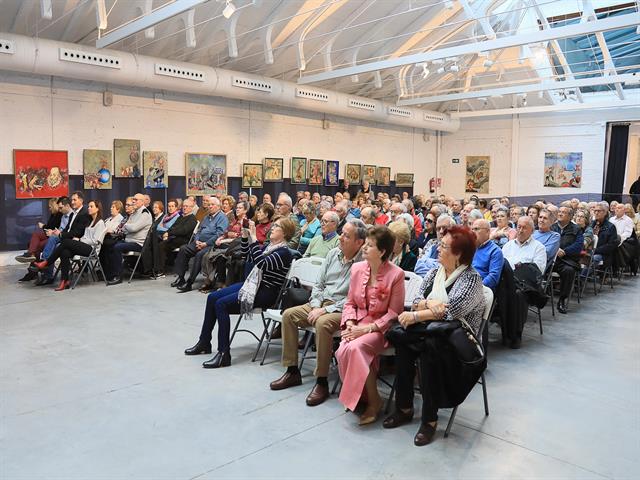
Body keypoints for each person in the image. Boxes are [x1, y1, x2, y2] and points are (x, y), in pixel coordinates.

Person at [385, 226, 484, 446]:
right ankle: (405, 407)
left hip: (458, 343)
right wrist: (430, 304)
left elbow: (451, 313)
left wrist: (417, 316)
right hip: (428, 331)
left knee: (427, 346)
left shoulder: (471, 279)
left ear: (458, 254)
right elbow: (418, 298)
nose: (438, 249)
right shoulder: (435, 272)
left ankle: (429, 420)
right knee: (405, 344)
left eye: (444, 246)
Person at [269, 219, 367, 406]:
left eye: (347, 235)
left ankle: (321, 381)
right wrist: (315, 306)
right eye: (342, 233)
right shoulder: (332, 254)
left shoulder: (363, 263)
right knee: (289, 315)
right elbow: (319, 285)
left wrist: (324, 310)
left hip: (343, 309)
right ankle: (292, 371)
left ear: (359, 242)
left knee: (322, 324)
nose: (341, 238)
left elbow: (353, 298)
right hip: (319, 303)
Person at [184, 218, 296, 368]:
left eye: (276, 226)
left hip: (266, 293)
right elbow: (246, 255)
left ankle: (224, 354)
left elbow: (261, 263)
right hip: (254, 286)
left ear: (285, 233)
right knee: (212, 297)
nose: (272, 228)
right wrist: (245, 236)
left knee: (221, 304)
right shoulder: (270, 247)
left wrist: (255, 238)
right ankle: (204, 342)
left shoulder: (284, 253)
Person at [336, 226, 405, 425]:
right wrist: (349, 323)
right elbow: (350, 302)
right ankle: (361, 396)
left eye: (369, 246)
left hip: (382, 328)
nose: (364, 248)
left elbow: (394, 313)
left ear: (382, 252)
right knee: (342, 350)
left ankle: (374, 402)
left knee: (356, 348)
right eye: (365, 244)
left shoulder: (396, 274)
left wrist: (366, 329)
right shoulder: (357, 269)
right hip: (358, 322)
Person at [33, 200, 106, 291]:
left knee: (66, 242)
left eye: (91, 206)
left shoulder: (100, 223)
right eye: (89, 206)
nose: (89, 208)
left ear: (98, 209)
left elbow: (95, 241)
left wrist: (80, 240)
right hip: (84, 245)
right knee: (65, 252)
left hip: (92, 249)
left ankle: (47, 262)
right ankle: (65, 281)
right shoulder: (90, 221)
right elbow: (86, 236)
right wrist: (80, 240)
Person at [172, 197, 229, 292]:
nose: (210, 206)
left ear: (218, 206)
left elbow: (219, 234)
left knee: (199, 255)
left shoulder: (222, 218)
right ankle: (181, 278)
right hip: (199, 243)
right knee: (183, 249)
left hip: (212, 245)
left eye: (212, 205)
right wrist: (197, 240)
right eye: (209, 204)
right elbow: (199, 231)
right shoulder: (206, 217)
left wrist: (205, 243)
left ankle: (190, 282)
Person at [103, 193, 152, 285]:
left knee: (117, 247)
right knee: (110, 245)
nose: (134, 201)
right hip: (129, 240)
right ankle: (109, 274)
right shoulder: (135, 213)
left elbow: (133, 228)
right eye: (133, 199)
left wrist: (126, 226)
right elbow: (124, 229)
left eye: (136, 199)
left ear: (142, 202)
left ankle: (118, 276)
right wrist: (128, 227)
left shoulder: (145, 213)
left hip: (138, 244)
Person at [551, 205, 584, 314]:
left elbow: (579, 246)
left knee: (569, 271)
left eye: (563, 212)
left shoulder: (576, 229)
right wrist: (555, 250)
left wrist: (564, 251)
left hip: (567, 260)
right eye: (559, 211)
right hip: (552, 259)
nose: (560, 214)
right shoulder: (552, 227)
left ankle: (562, 299)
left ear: (570, 216)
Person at [154, 198, 197, 277]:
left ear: (191, 208)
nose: (184, 208)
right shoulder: (180, 217)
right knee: (158, 243)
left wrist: (169, 234)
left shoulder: (192, 218)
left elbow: (183, 231)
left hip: (184, 240)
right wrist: (168, 233)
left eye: (187, 206)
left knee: (162, 245)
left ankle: (160, 271)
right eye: (184, 206)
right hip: (175, 237)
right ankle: (157, 268)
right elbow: (173, 227)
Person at [15, 197, 62, 266]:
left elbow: (54, 227)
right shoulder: (53, 215)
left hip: (54, 237)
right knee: (36, 235)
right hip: (48, 234)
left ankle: (34, 269)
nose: (49, 209)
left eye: (50, 207)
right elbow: (50, 226)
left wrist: (43, 226)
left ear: (54, 206)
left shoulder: (60, 215)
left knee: (36, 245)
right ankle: (31, 254)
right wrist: (45, 227)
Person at [471, 219, 504, 290]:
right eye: (472, 229)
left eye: (476, 229)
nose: (473, 232)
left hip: (482, 290)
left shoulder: (495, 251)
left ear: (487, 231)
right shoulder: (469, 248)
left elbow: (493, 277)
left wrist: (475, 289)